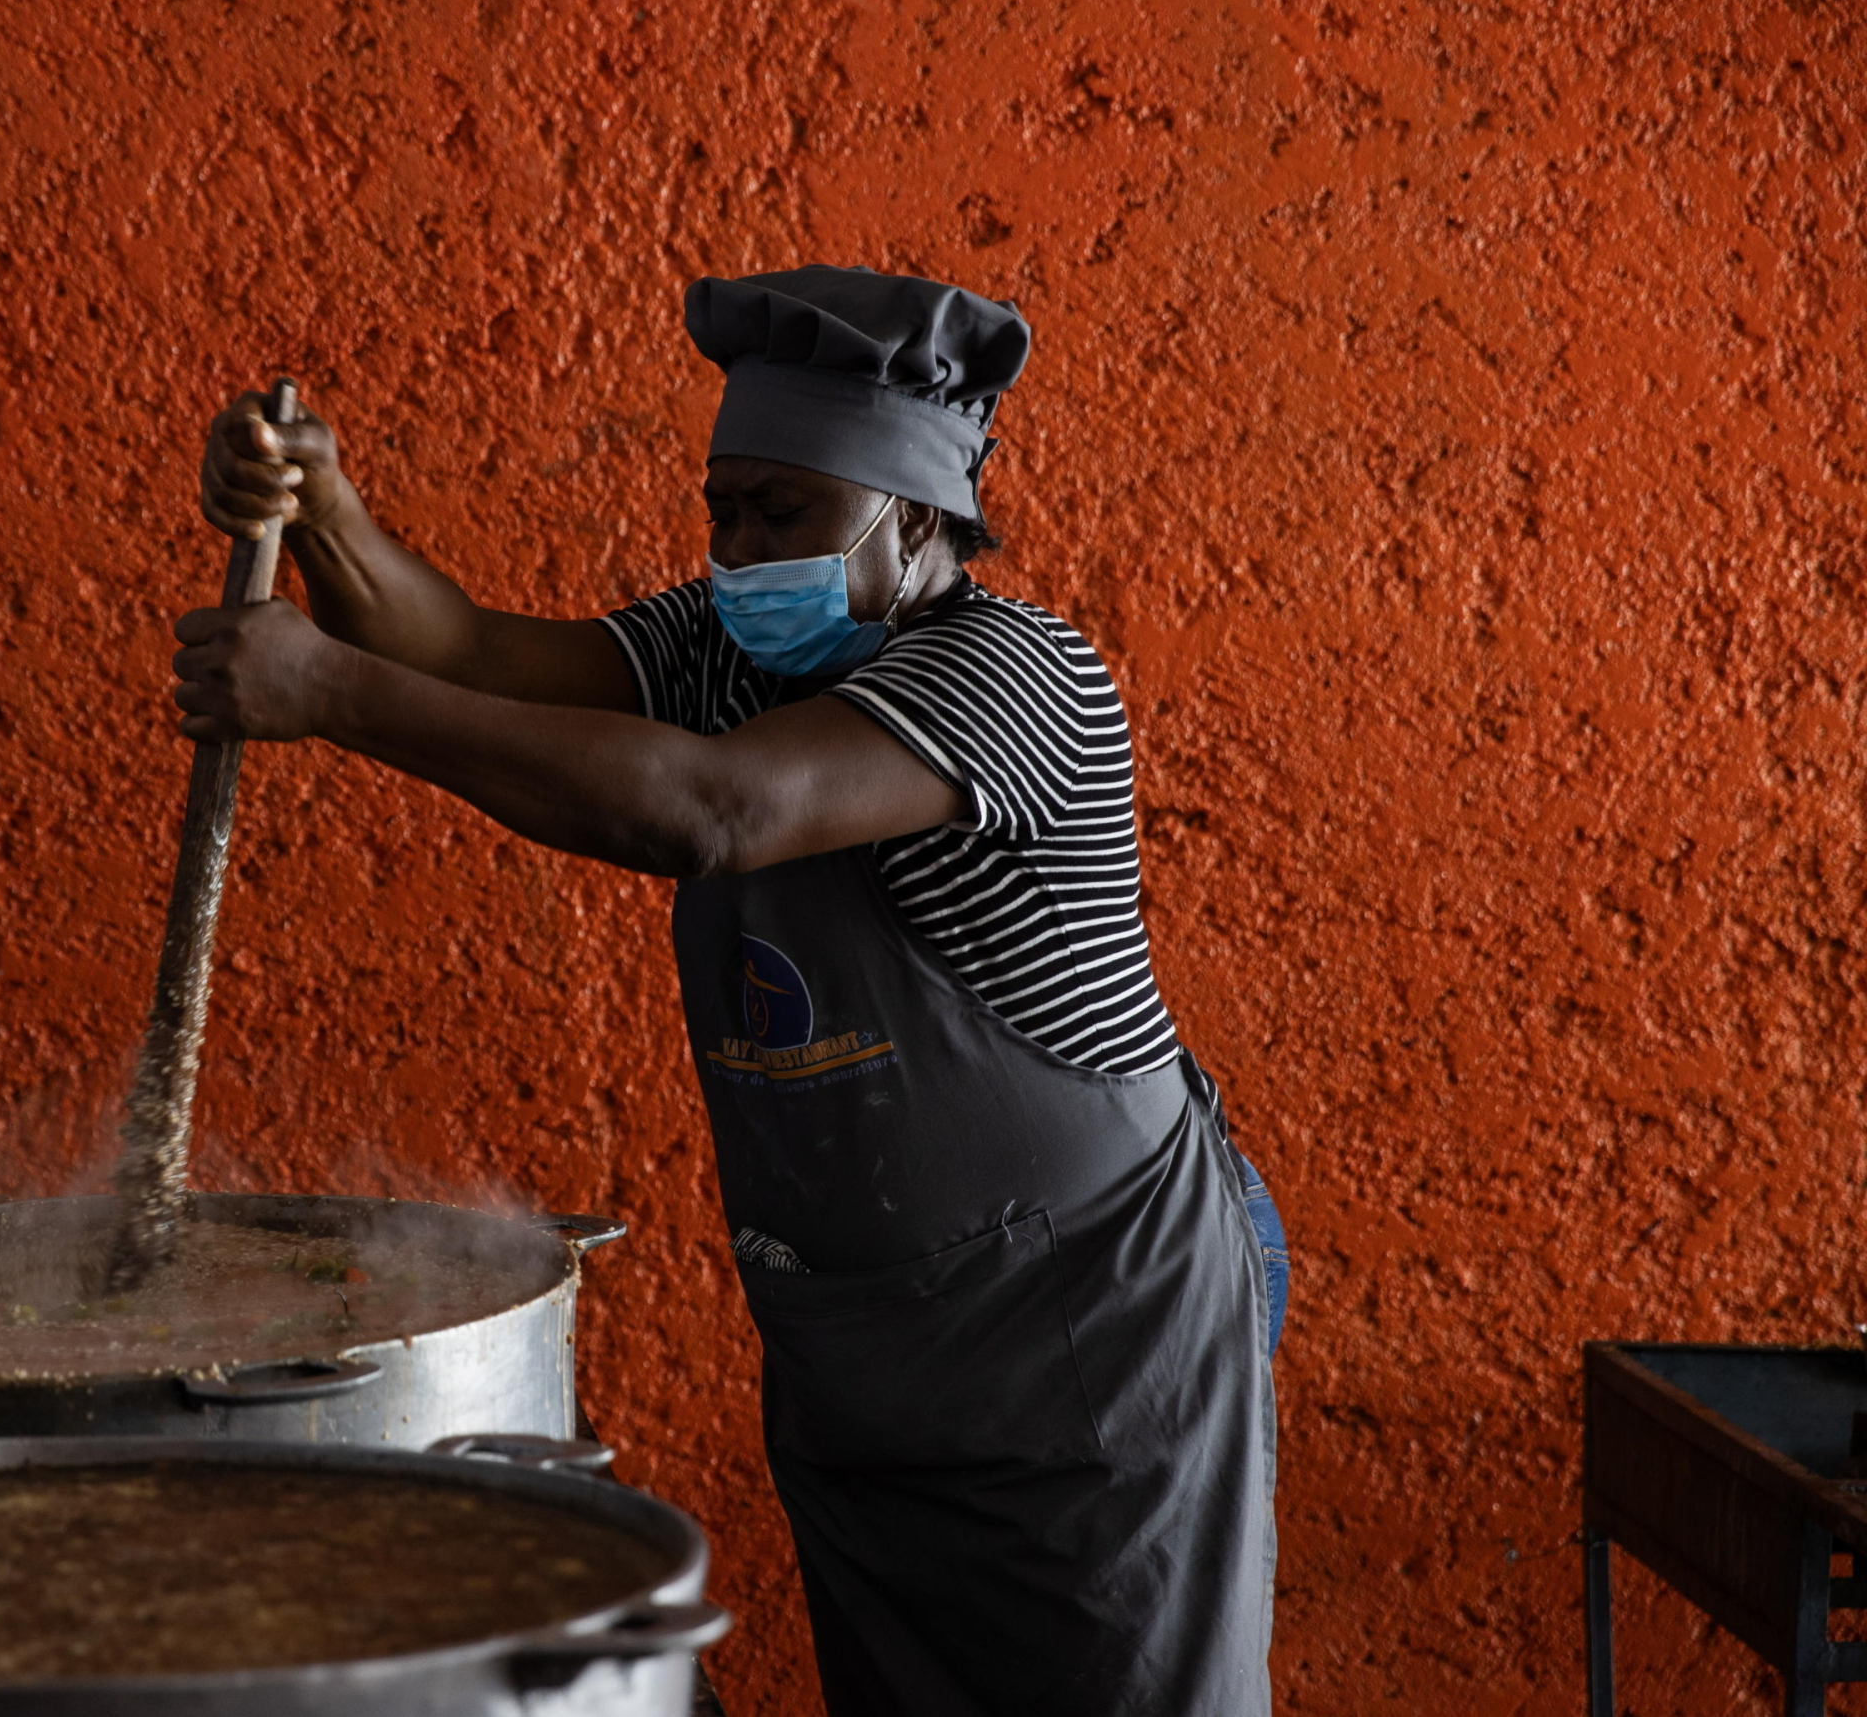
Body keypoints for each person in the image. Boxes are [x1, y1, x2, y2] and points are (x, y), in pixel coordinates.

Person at [184, 265, 1282, 1716]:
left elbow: (712, 814)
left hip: (1083, 1359)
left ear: (913, 515)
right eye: (725, 510)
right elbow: (468, 653)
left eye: (786, 515)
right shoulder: (721, 653)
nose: (739, 551)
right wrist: (327, 510)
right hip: (868, 1367)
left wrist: (330, 698)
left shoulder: (1021, 674)